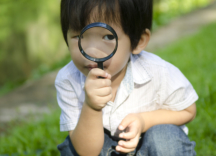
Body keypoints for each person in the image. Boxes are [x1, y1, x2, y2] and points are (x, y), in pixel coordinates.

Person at [55, 0, 198, 155]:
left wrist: (144, 121)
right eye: (78, 36)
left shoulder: (157, 71)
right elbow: (87, 152)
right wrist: (91, 107)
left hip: (150, 147)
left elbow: (188, 110)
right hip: (102, 149)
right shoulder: (68, 79)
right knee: (72, 147)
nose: (91, 51)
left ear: (138, 41)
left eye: (108, 37)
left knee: (164, 136)